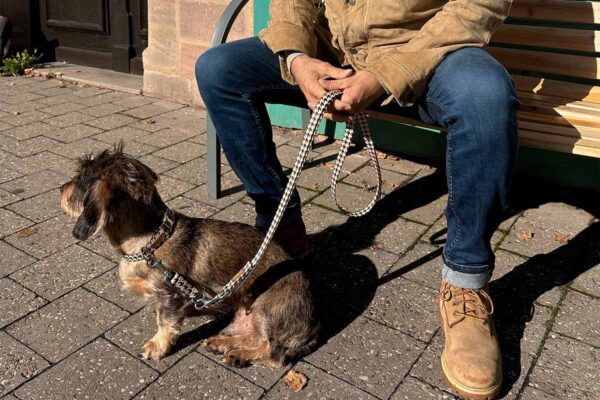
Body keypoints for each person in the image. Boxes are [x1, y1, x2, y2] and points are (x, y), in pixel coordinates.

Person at [195, 1, 518, 398]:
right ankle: (282, 231)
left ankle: (466, 285)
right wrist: (296, 58)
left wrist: (384, 76)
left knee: (484, 95)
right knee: (218, 69)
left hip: (426, 53)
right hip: (335, 51)